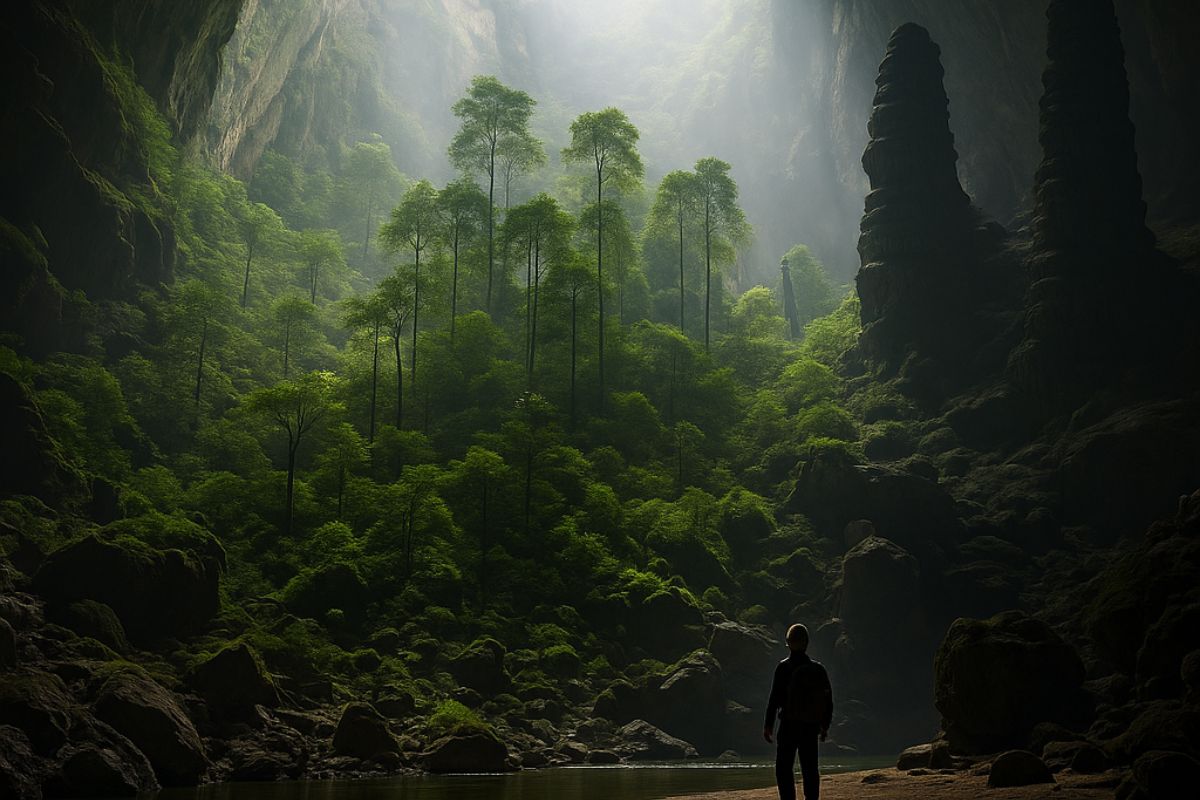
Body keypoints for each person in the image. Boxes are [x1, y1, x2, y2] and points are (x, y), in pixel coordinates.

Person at [763, 623, 833, 800]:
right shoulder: (818, 669)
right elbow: (828, 701)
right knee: (810, 768)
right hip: (810, 727)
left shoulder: (783, 667)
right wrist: (824, 726)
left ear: (788, 643)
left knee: (784, 768)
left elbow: (774, 699)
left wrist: (768, 725)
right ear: (806, 642)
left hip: (788, 725)